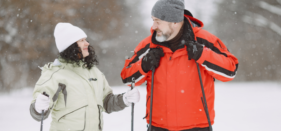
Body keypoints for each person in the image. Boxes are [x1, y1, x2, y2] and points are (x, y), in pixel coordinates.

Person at [120, 0, 239, 131]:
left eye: (158, 21)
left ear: (175, 22)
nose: (153, 26)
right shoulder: (149, 45)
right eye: (153, 20)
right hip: (158, 126)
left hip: (198, 126)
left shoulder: (204, 40)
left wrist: (203, 55)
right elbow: (126, 76)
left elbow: (230, 70)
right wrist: (143, 65)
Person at [30, 23, 140, 131]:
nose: (87, 43)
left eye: (85, 40)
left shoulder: (94, 72)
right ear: (71, 45)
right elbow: (39, 112)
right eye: (82, 40)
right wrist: (38, 108)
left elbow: (106, 102)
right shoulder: (55, 73)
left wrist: (124, 99)